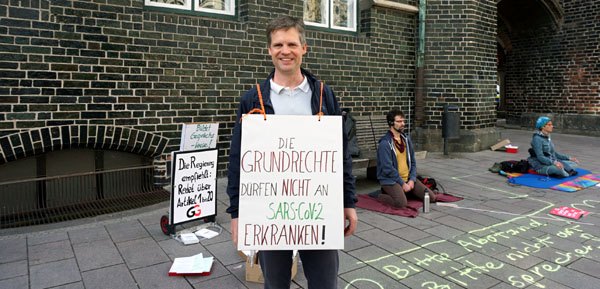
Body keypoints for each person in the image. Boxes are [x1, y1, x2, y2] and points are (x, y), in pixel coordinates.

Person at [226, 15, 358, 289]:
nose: (285, 51)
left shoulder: (324, 95)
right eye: (278, 45)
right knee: (275, 284)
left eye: (291, 44)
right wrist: (238, 214)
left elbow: (340, 154)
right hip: (269, 211)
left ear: (303, 48)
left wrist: (348, 202)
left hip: (317, 208)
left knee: (324, 283)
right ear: (269, 49)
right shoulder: (252, 99)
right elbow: (239, 158)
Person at [375, 109, 436, 208]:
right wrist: (403, 183)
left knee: (431, 197)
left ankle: (406, 192)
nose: (403, 124)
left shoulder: (406, 139)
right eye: (399, 121)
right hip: (391, 180)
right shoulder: (385, 143)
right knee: (401, 203)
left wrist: (412, 179)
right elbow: (387, 168)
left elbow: (413, 162)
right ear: (391, 123)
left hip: (407, 178)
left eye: (403, 121)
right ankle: (380, 195)